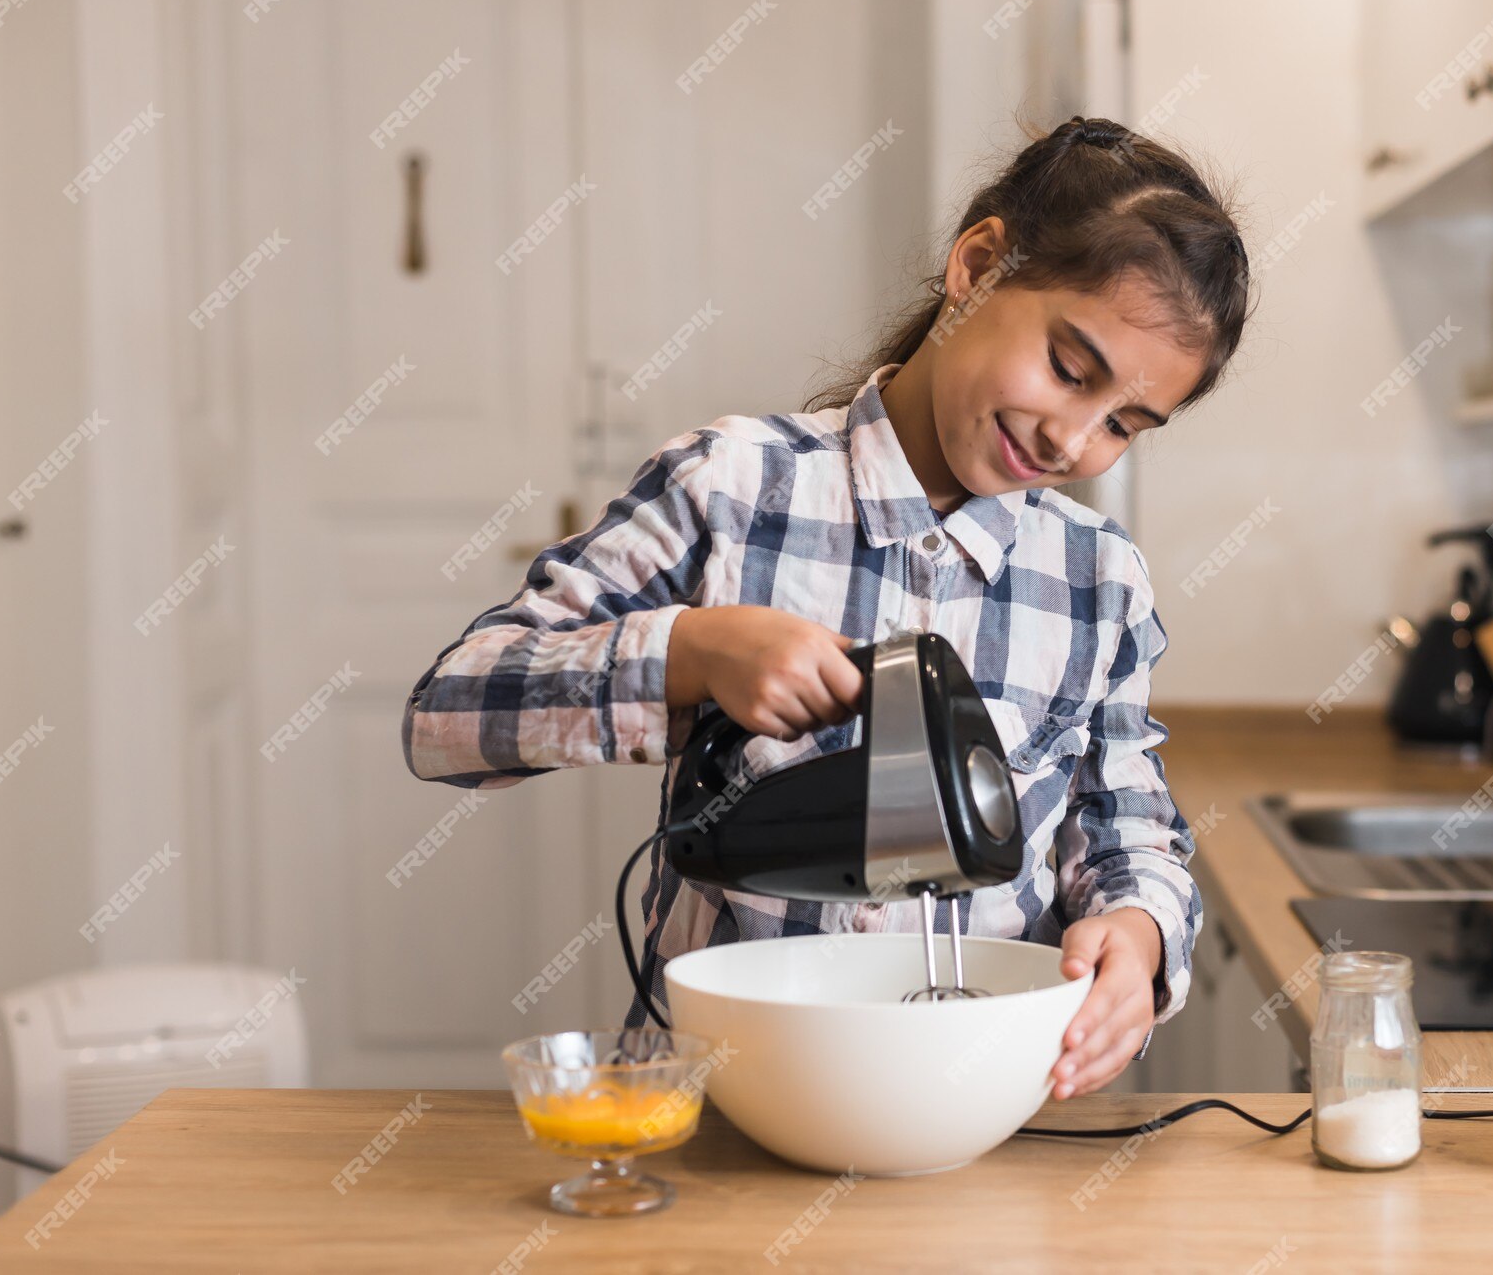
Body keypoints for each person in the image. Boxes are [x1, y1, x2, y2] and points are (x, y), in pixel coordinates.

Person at [404, 114, 1250, 1100]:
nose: (1073, 437)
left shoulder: (1098, 577)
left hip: (975, 1121)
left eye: (1123, 425)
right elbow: (446, 720)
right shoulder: (728, 489)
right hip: (726, 1111)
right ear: (976, 265)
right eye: (1069, 370)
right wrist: (687, 651)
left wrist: (1140, 933)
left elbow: (1125, 817)